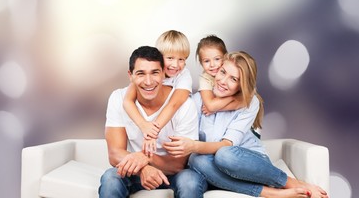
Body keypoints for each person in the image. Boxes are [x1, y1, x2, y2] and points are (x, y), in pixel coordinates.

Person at [163, 51, 328, 198]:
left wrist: (193, 146)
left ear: (241, 85)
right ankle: (270, 194)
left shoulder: (248, 103)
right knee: (189, 175)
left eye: (233, 79)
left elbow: (226, 145)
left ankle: (291, 183)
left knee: (223, 154)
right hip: (208, 168)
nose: (223, 81)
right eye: (222, 72)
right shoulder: (197, 100)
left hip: (244, 164)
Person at [99, 46, 206, 198]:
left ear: (164, 73)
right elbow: (114, 154)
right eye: (141, 74)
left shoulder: (184, 105)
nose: (148, 82)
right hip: (136, 171)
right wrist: (143, 168)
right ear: (131, 75)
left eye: (155, 73)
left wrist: (146, 158)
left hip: (174, 174)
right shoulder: (118, 98)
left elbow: (178, 164)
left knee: (190, 181)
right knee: (111, 178)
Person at [123, 30, 192, 156]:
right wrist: (143, 125)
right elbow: (127, 101)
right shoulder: (147, 72)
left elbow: (174, 104)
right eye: (170, 58)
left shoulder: (184, 75)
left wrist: (152, 134)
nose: (175, 65)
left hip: (175, 124)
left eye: (181, 59)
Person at [196, 35, 244, 116]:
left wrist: (217, 109)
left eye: (217, 59)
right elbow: (210, 106)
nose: (212, 64)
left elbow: (244, 101)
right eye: (206, 61)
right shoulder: (205, 79)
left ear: (225, 57)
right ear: (201, 63)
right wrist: (233, 97)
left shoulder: (234, 69)